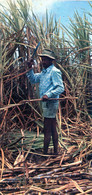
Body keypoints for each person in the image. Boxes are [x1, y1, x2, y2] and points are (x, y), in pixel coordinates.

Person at [26, 49, 64, 155]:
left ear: (51, 60)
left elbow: (60, 88)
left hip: (51, 103)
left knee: (47, 129)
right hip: (46, 104)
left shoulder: (54, 71)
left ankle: (45, 153)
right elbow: (33, 79)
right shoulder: (44, 72)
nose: (43, 62)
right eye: (42, 60)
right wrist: (30, 68)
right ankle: (55, 152)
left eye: (45, 60)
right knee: (52, 128)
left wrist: (49, 94)